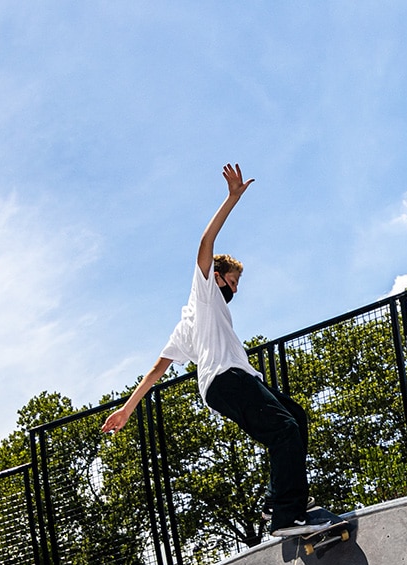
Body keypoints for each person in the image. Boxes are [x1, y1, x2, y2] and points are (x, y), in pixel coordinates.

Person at [103, 163, 313, 534]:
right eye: (232, 282)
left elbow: (157, 370)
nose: (235, 290)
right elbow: (205, 245)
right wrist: (231, 199)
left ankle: (274, 501)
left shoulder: (186, 324)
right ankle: (286, 516)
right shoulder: (204, 292)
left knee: (295, 418)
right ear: (217, 277)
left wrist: (126, 410)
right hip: (227, 380)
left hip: (229, 383)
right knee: (284, 431)